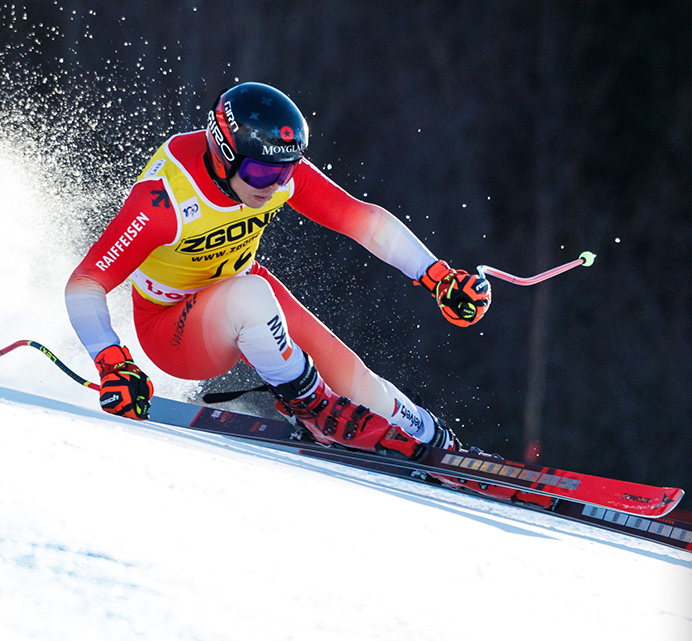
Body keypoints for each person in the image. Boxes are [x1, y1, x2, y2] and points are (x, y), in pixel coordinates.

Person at [66, 81, 548, 507]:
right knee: (251, 295)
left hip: (243, 292)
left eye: (286, 172)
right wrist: (112, 360)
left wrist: (437, 275)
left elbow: (363, 220)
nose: (274, 186)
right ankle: (311, 406)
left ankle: (443, 444)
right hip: (173, 329)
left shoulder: (274, 172)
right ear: (223, 152)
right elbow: (85, 283)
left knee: (355, 379)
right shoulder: (165, 201)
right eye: (259, 174)